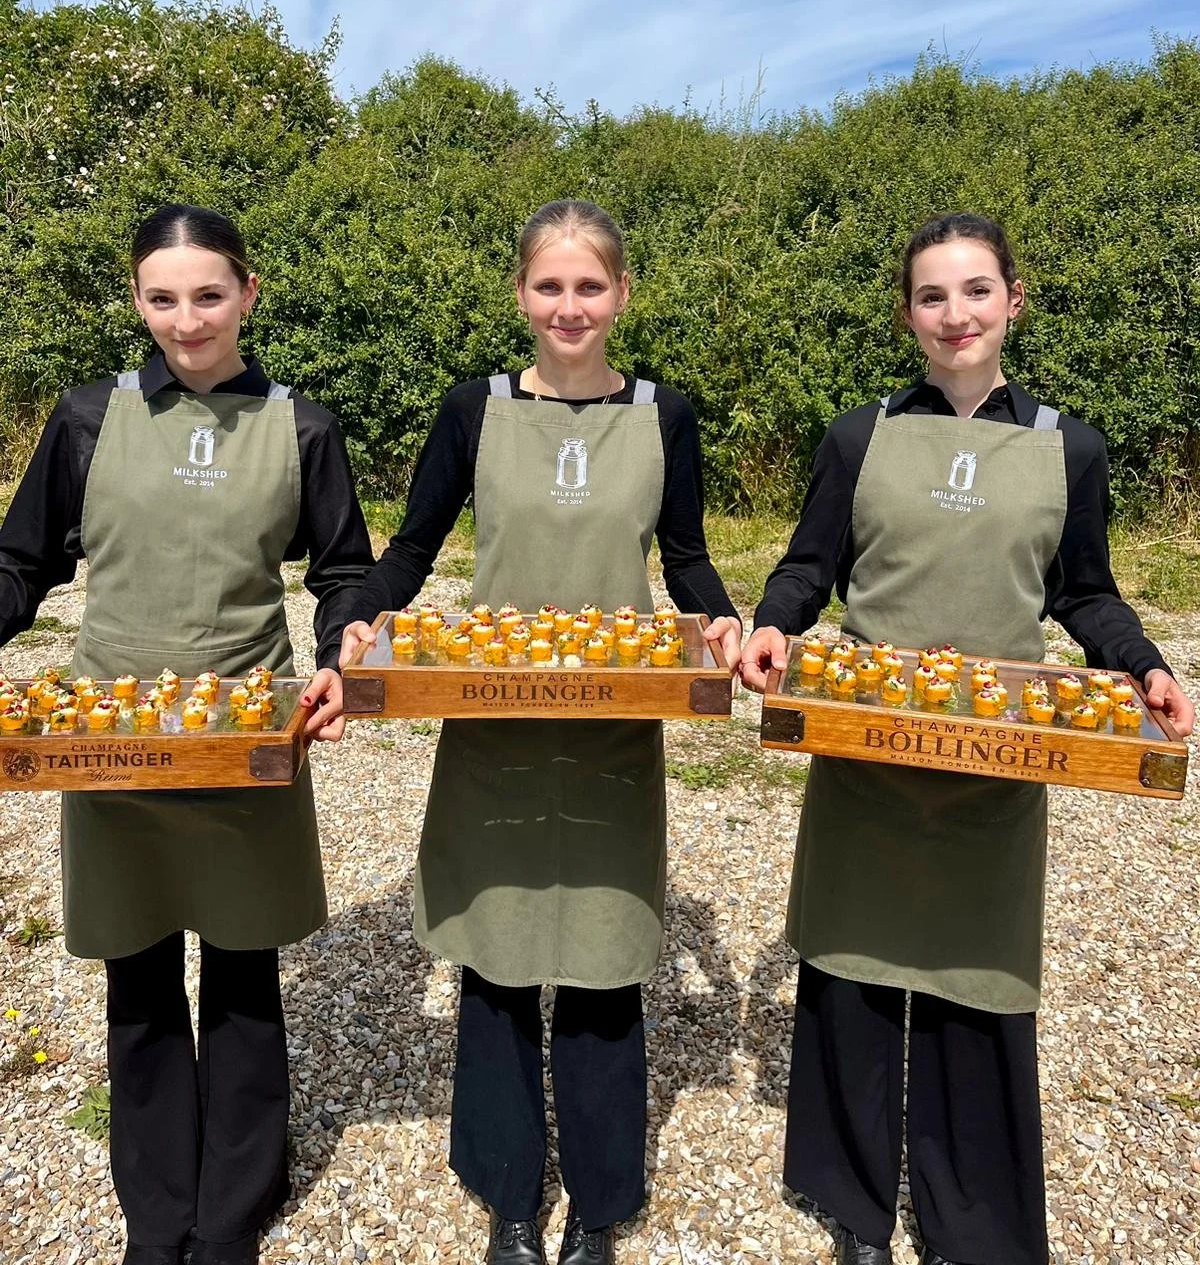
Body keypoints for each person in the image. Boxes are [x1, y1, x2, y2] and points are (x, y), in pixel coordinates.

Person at [740, 213, 1194, 1265]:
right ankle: (855, 1207)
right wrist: (773, 621)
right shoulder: (858, 436)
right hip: (866, 750)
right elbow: (810, 569)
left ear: (1013, 300)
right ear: (907, 314)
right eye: (934, 296)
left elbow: (1086, 591)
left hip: (997, 761)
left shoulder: (1066, 446)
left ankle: (965, 1221)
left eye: (976, 291)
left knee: (976, 984)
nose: (956, 315)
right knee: (851, 974)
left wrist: (1147, 663)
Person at [341, 199, 742, 1265]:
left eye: (590, 286)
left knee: (608, 959)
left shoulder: (666, 414)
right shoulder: (472, 409)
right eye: (550, 286)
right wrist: (359, 618)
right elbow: (414, 546)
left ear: (622, 295)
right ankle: (509, 1193)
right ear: (520, 293)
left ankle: (600, 1205)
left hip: (614, 730)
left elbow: (689, 560)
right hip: (493, 726)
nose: (571, 306)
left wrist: (731, 627)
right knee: (500, 953)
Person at [0, 204, 374, 1265]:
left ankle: (233, 1214)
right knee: (140, 971)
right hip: (110, 736)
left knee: (247, 970)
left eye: (209, 294)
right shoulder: (85, 419)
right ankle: (157, 1216)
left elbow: (342, 570)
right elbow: (21, 563)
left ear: (248, 293)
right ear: (137, 301)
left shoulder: (302, 424)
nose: (187, 319)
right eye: (162, 297)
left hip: (250, 731)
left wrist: (341, 654)